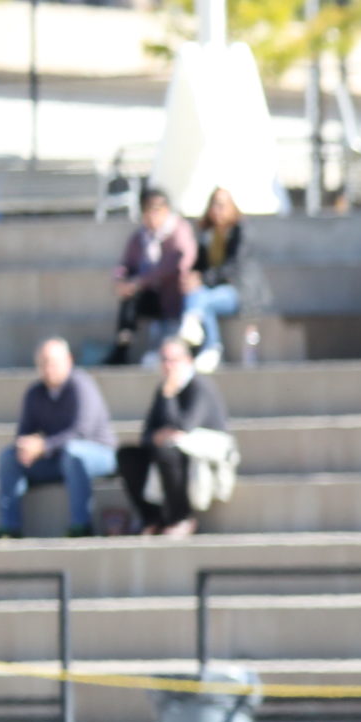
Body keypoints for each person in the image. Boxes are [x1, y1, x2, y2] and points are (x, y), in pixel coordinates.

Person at [0, 338, 112, 538]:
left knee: (74, 453)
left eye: (53, 362)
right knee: (9, 457)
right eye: (43, 363)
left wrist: (44, 446)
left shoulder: (81, 385)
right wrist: (26, 447)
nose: (48, 368)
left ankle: (81, 526)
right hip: (57, 458)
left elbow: (82, 431)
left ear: (69, 360)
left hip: (97, 453)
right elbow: (24, 432)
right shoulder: (35, 393)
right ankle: (10, 528)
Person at [115, 337, 233, 537]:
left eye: (173, 360)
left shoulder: (199, 386)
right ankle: (152, 518)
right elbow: (147, 433)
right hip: (169, 451)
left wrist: (170, 395)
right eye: (164, 360)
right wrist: (158, 435)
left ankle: (181, 517)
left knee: (166, 451)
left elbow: (185, 426)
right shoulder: (163, 389)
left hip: (197, 456)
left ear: (187, 360)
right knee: (128, 455)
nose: (168, 366)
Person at [111, 186, 196, 366]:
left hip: (174, 294)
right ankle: (122, 347)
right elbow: (125, 264)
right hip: (150, 294)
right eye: (147, 210)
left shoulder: (179, 231)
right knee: (129, 301)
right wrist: (120, 280)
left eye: (156, 209)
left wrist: (140, 282)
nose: (152, 215)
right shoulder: (140, 237)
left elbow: (177, 264)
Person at [179, 187, 246, 373]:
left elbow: (232, 269)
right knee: (199, 297)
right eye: (214, 205)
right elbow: (199, 265)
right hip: (209, 291)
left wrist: (202, 279)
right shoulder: (207, 235)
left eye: (222, 205)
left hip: (235, 291)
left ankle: (192, 320)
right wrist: (192, 278)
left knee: (201, 299)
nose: (217, 210)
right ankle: (211, 347)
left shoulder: (240, 232)